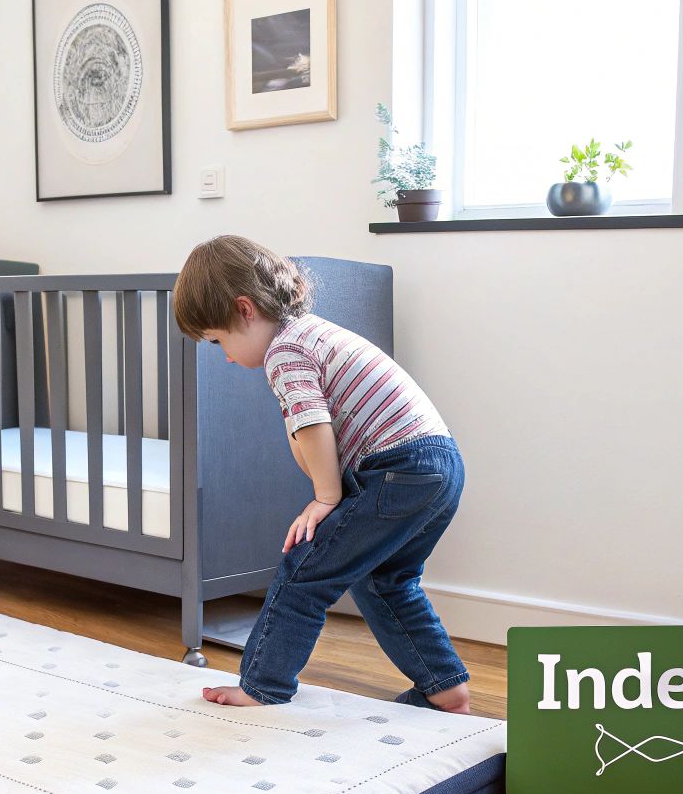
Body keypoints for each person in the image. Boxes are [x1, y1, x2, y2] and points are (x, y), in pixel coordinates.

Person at [172, 235, 471, 714]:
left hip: (398, 469)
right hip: (437, 466)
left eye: (217, 341)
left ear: (245, 309)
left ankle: (262, 685)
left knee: (304, 572)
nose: (223, 356)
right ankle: (443, 687)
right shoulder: (311, 333)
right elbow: (309, 433)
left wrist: (325, 497)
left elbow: (313, 425)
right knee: (385, 580)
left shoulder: (285, 352)